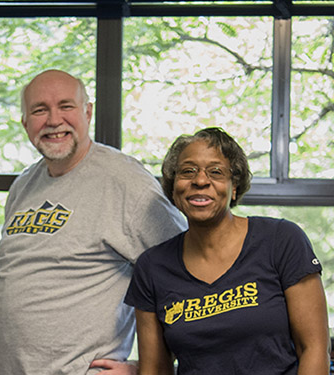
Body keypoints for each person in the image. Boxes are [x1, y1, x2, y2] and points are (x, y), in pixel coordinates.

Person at [0, 69, 187, 375]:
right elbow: (10, 291)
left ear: (88, 112)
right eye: (40, 110)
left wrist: (148, 368)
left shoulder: (126, 182)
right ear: (26, 122)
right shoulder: (23, 186)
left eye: (66, 106)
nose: (54, 120)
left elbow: (188, 277)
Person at [125, 127, 330, 374]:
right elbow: (155, 370)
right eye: (188, 171)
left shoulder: (281, 240)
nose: (200, 181)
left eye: (216, 172)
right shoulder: (152, 267)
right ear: (173, 186)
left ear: (234, 186)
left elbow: (314, 348)